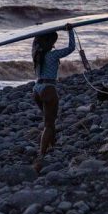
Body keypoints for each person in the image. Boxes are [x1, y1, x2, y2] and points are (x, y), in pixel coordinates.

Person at [31, 23, 76, 172]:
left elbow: (35, 41)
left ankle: (53, 145)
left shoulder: (36, 54)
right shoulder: (53, 54)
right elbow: (71, 48)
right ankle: (41, 154)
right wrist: (70, 31)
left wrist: (39, 30)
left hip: (36, 89)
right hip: (49, 89)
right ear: (51, 43)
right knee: (49, 124)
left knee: (50, 119)